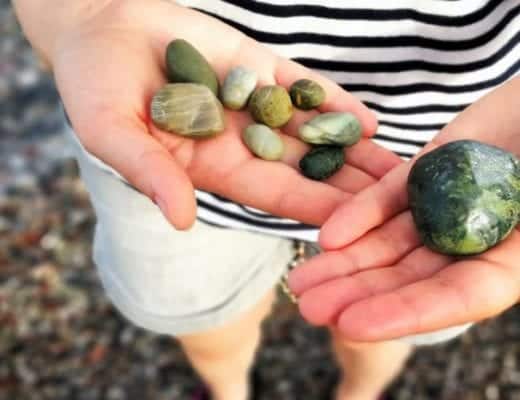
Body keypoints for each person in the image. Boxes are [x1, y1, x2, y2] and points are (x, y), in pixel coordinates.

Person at [12, 0, 519, 399]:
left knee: (387, 321)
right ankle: (228, 387)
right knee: (197, 310)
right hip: (163, 153)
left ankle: (359, 392)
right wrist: (84, 17)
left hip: (434, 139)